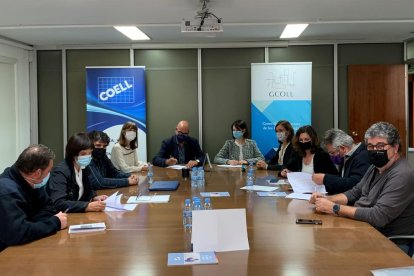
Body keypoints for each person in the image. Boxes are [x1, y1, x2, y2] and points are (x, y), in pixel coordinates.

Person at [310, 122, 414, 256]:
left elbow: (378, 216)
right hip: (368, 229)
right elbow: (355, 192)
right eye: (370, 146)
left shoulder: (402, 174)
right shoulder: (376, 167)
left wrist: (334, 208)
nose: (375, 150)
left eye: (381, 146)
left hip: (390, 241)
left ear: (395, 147)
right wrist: (325, 199)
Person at [0, 144, 67, 251]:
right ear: (37, 173)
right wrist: (55, 222)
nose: (49, 174)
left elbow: (50, 207)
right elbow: (18, 233)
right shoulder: (6, 192)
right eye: (48, 171)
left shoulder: (33, 182)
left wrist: (30, 225)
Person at [48, 133, 107, 213]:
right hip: (61, 216)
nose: (87, 156)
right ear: (73, 153)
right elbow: (59, 203)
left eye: (89, 153)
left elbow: (87, 189)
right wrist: (86, 206)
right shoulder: (60, 172)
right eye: (83, 154)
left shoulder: (83, 166)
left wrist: (94, 197)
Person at [312, 129, 370, 194]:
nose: (331, 156)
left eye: (332, 153)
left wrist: (325, 179)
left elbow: (355, 185)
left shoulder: (363, 157)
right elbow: (342, 183)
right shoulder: (346, 157)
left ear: (343, 148)